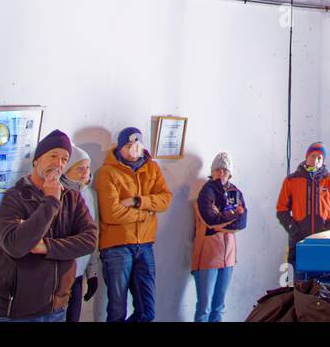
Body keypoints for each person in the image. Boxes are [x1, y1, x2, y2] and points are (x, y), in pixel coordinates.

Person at [0, 129, 98, 322]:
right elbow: (17, 245)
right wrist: (51, 202)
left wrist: (46, 246)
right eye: (53, 156)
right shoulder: (14, 198)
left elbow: (89, 241)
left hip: (56, 309)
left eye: (64, 159)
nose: (58, 163)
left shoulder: (72, 198)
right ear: (36, 160)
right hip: (16, 312)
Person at [95, 127, 172, 322]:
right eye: (129, 145)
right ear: (120, 147)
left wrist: (137, 201)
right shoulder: (106, 172)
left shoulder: (152, 168)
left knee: (147, 311)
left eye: (137, 145)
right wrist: (144, 215)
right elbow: (112, 213)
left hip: (145, 245)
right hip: (116, 247)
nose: (134, 150)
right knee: (117, 310)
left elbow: (165, 199)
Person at [191, 152, 247, 322]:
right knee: (204, 308)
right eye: (218, 169)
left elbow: (241, 223)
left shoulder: (235, 191)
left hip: (228, 256)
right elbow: (210, 219)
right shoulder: (207, 191)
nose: (221, 173)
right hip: (207, 255)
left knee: (219, 307)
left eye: (225, 170)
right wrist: (232, 214)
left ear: (230, 172)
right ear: (212, 171)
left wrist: (221, 220)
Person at [276, 142, 330, 276]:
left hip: (325, 241)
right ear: (307, 157)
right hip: (299, 241)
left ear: (323, 161)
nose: (316, 160)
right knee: (298, 281)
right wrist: (294, 230)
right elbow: (281, 210)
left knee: (325, 283)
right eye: (313, 156)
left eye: (320, 157)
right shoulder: (291, 180)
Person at [62, 146, 100, 321]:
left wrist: (92, 272)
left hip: (78, 273)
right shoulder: (57, 193)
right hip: (59, 272)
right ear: (67, 170)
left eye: (87, 167)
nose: (85, 172)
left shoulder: (90, 195)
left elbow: (93, 235)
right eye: (79, 168)